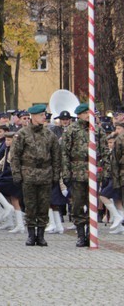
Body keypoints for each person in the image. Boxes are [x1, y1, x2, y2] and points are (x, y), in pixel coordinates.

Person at [10, 104, 61, 247]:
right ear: (33, 117)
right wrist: (16, 174)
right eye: (41, 115)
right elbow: (15, 156)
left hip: (45, 174)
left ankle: (41, 235)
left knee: (44, 206)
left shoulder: (50, 135)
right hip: (28, 174)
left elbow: (56, 157)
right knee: (30, 205)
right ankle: (31, 235)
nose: (44, 117)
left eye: (44, 115)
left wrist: (56, 175)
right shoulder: (23, 134)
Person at [62, 103, 92, 246]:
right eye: (85, 113)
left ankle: (90, 233)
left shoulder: (96, 129)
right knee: (77, 204)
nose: (88, 115)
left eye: (89, 112)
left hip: (92, 172)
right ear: (79, 115)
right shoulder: (71, 130)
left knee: (92, 204)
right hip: (77, 172)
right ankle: (80, 234)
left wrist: (104, 171)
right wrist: (66, 173)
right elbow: (65, 153)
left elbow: (104, 152)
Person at [0, 132, 25, 233]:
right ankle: (12, 222)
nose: (7, 142)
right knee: (11, 199)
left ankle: (16, 220)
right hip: (7, 175)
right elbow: (1, 163)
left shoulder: (16, 151)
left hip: (12, 176)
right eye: (6, 140)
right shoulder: (8, 150)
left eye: (9, 140)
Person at [99, 132, 123, 233]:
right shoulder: (109, 152)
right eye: (109, 143)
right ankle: (120, 227)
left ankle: (117, 217)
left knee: (102, 195)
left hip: (114, 177)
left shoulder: (116, 152)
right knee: (117, 201)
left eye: (112, 142)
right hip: (110, 178)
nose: (110, 144)